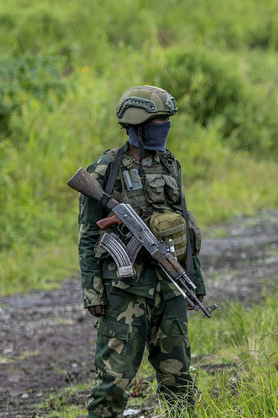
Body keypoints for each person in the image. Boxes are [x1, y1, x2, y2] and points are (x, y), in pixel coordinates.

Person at [77, 85, 206, 416]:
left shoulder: (169, 164)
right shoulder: (105, 169)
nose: (165, 125)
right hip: (125, 293)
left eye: (167, 119)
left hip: (170, 290)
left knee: (179, 380)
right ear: (138, 123)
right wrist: (93, 294)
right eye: (159, 119)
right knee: (112, 386)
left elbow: (184, 225)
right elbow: (90, 233)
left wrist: (194, 281)